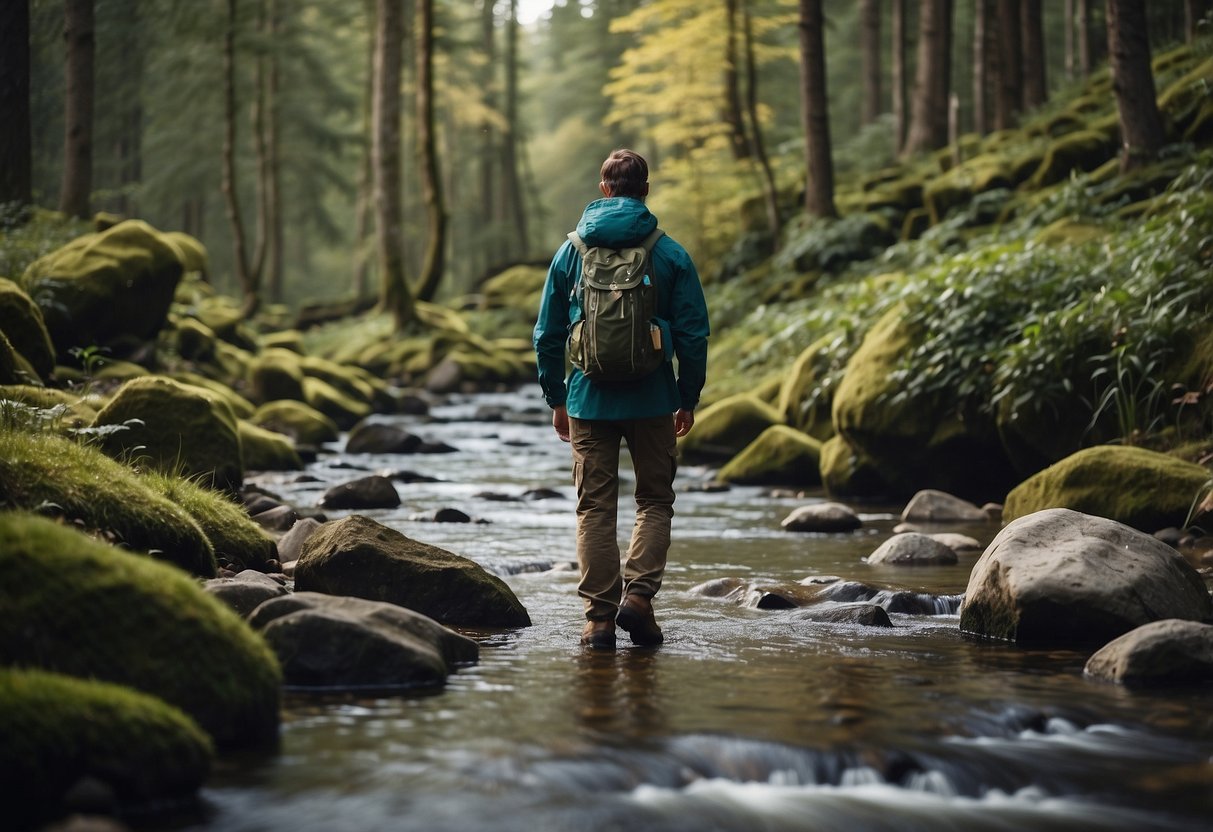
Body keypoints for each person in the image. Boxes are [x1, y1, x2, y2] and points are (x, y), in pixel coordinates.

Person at [533, 149, 710, 650]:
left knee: (594, 509)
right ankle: (640, 598)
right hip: (654, 398)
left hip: (588, 399)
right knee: (654, 500)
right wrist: (688, 396)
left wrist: (557, 396)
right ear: (645, 190)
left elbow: (547, 333)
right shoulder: (670, 252)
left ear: (604, 188)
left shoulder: (571, 250)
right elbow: (695, 333)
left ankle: (598, 621)